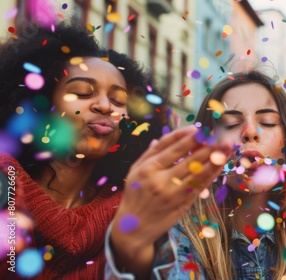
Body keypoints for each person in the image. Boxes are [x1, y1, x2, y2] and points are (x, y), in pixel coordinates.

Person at [0, 18, 226, 279]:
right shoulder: (6, 184)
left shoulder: (136, 210)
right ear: (41, 105)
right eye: (83, 93)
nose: (105, 106)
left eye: (119, 100)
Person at [106, 70, 286, 279]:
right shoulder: (181, 232)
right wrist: (129, 245)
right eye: (231, 124)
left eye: (266, 121)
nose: (250, 132)